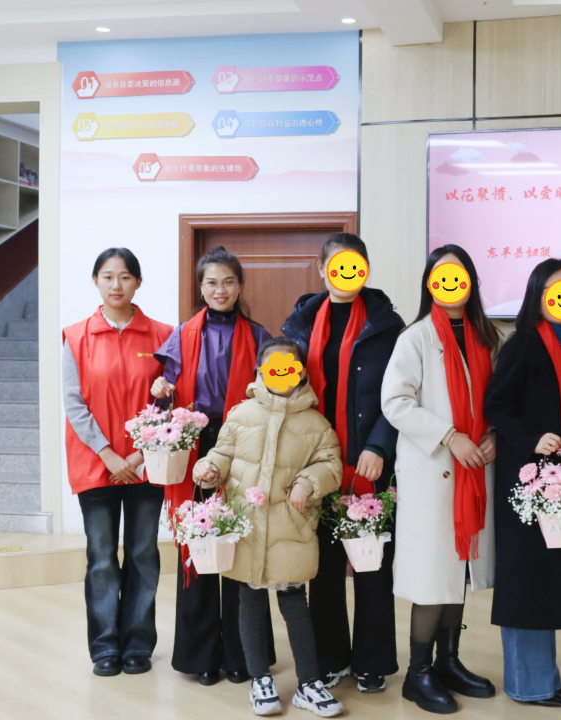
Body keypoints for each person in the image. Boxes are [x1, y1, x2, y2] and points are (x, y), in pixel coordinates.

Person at [191, 336, 346, 718]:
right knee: (249, 600)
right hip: (248, 525)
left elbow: (331, 464)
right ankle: (260, 677)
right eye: (272, 367)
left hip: (291, 528)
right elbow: (223, 454)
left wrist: (308, 482)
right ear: (260, 372)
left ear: (300, 373)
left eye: (288, 367)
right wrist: (209, 469)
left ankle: (309, 682)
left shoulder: (316, 424)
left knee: (295, 602)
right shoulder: (241, 415)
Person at [281, 232, 405, 692]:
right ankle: (330, 657)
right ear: (321, 269)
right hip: (316, 463)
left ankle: (372, 660)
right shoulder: (298, 324)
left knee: (372, 565)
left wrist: (379, 446)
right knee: (325, 567)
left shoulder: (387, 324)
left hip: (369, 461)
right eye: (337, 264)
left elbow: (400, 394)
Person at [382, 245, 502, 714]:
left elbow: (500, 399)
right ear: (430, 283)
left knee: (459, 569)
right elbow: (396, 402)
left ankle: (448, 662)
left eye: (459, 276)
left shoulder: (489, 337)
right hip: (433, 472)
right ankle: (418, 673)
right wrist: (450, 436)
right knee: (433, 573)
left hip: (475, 469)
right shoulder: (414, 337)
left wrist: (492, 436)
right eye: (442, 276)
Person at [152, 245, 275, 686]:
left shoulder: (259, 337)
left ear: (240, 286)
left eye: (228, 282)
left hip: (242, 446)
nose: (219, 290)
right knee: (199, 547)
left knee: (242, 548)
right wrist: (160, 389)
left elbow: (274, 394)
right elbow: (164, 396)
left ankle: (244, 654)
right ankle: (201, 655)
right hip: (196, 448)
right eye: (211, 282)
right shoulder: (181, 335)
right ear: (200, 288)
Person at [484, 259, 561, 707]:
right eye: (554, 291)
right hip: (525, 481)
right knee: (526, 581)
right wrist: (533, 439)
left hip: (559, 481)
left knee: (548, 580)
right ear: (537, 296)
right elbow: (496, 405)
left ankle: (545, 676)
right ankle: (527, 684)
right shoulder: (524, 342)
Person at [63, 248, 173, 677]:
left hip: (147, 465)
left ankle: (138, 646)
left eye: (125, 277)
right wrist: (108, 453)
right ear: (95, 281)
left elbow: (169, 402)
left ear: (138, 283)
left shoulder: (163, 335)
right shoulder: (76, 336)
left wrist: (140, 454)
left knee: (143, 554)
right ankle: (105, 647)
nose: (116, 285)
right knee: (102, 557)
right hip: (96, 465)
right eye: (107, 276)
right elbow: (74, 404)